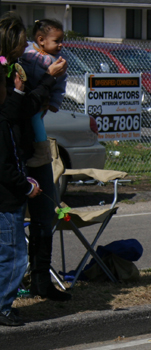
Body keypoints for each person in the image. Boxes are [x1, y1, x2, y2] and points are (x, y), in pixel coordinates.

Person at [3, 13, 69, 301]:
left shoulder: (22, 64)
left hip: (37, 145)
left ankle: (41, 279)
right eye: (21, 43)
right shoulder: (12, 70)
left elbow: (36, 103)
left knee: (45, 215)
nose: (24, 48)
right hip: (16, 151)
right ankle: (11, 289)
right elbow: (21, 108)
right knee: (13, 224)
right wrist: (47, 79)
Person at [0, 28, 42, 327]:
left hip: (10, 195)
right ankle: (3, 305)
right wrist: (25, 186)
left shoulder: (4, 122)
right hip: (7, 200)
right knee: (13, 255)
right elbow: (4, 167)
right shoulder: (2, 124)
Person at [18, 19, 67, 168]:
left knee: (36, 119)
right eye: (56, 41)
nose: (61, 45)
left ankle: (42, 152)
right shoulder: (26, 50)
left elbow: (60, 84)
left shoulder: (57, 62)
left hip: (41, 98)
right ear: (41, 40)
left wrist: (54, 102)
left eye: (61, 41)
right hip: (25, 95)